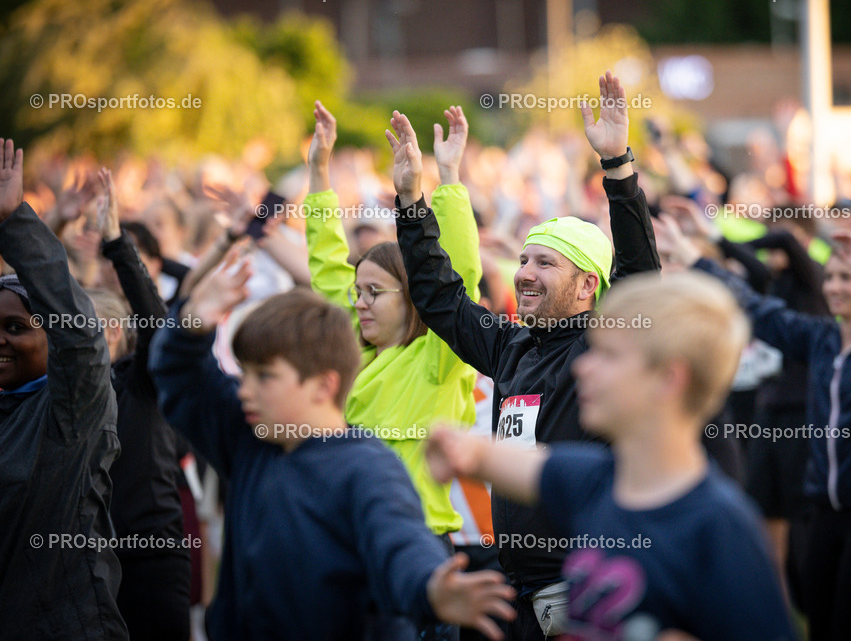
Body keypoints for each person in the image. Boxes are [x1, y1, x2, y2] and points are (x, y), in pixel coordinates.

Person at [394, 72, 661, 639]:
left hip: (579, 586)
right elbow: (439, 298)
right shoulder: (512, 344)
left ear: (589, 286)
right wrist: (412, 201)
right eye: (523, 260)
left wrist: (617, 167)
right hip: (511, 585)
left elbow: (640, 277)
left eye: (545, 263)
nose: (524, 275)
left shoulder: (606, 348)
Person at [148, 256, 514, 640]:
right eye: (245, 372)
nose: (244, 389)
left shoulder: (368, 468)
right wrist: (192, 321)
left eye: (265, 376)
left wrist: (429, 587)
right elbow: (181, 377)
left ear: (323, 386)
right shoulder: (250, 440)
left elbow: (400, 544)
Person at [425, 272, 796, 641]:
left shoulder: (720, 527)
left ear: (669, 379)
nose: (583, 366)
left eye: (608, 355)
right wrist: (462, 449)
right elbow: (522, 466)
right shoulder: (594, 480)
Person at [668, 216, 851, 639]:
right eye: (830, 278)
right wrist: (697, 259)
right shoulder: (820, 338)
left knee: (849, 628)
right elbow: (755, 307)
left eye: (848, 277)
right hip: (825, 512)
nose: (834, 287)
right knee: (819, 626)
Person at [304, 101, 483, 639]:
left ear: (414, 300)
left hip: (419, 547)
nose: (359, 303)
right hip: (348, 546)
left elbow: (461, 274)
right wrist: (318, 173)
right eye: (357, 294)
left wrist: (445, 180)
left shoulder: (438, 358)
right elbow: (326, 268)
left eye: (374, 293)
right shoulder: (353, 354)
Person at [0, 138, 128, 638]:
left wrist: (17, 222)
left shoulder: (71, 412)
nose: (1, 342)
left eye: (16, 328)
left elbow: (80, 337)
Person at [88, 168, 192, 639]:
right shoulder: (63, 397)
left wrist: (115, 243)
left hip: (150, 559)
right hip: (85, 563)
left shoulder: (145, 383)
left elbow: (155, 318)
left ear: (111, 332)